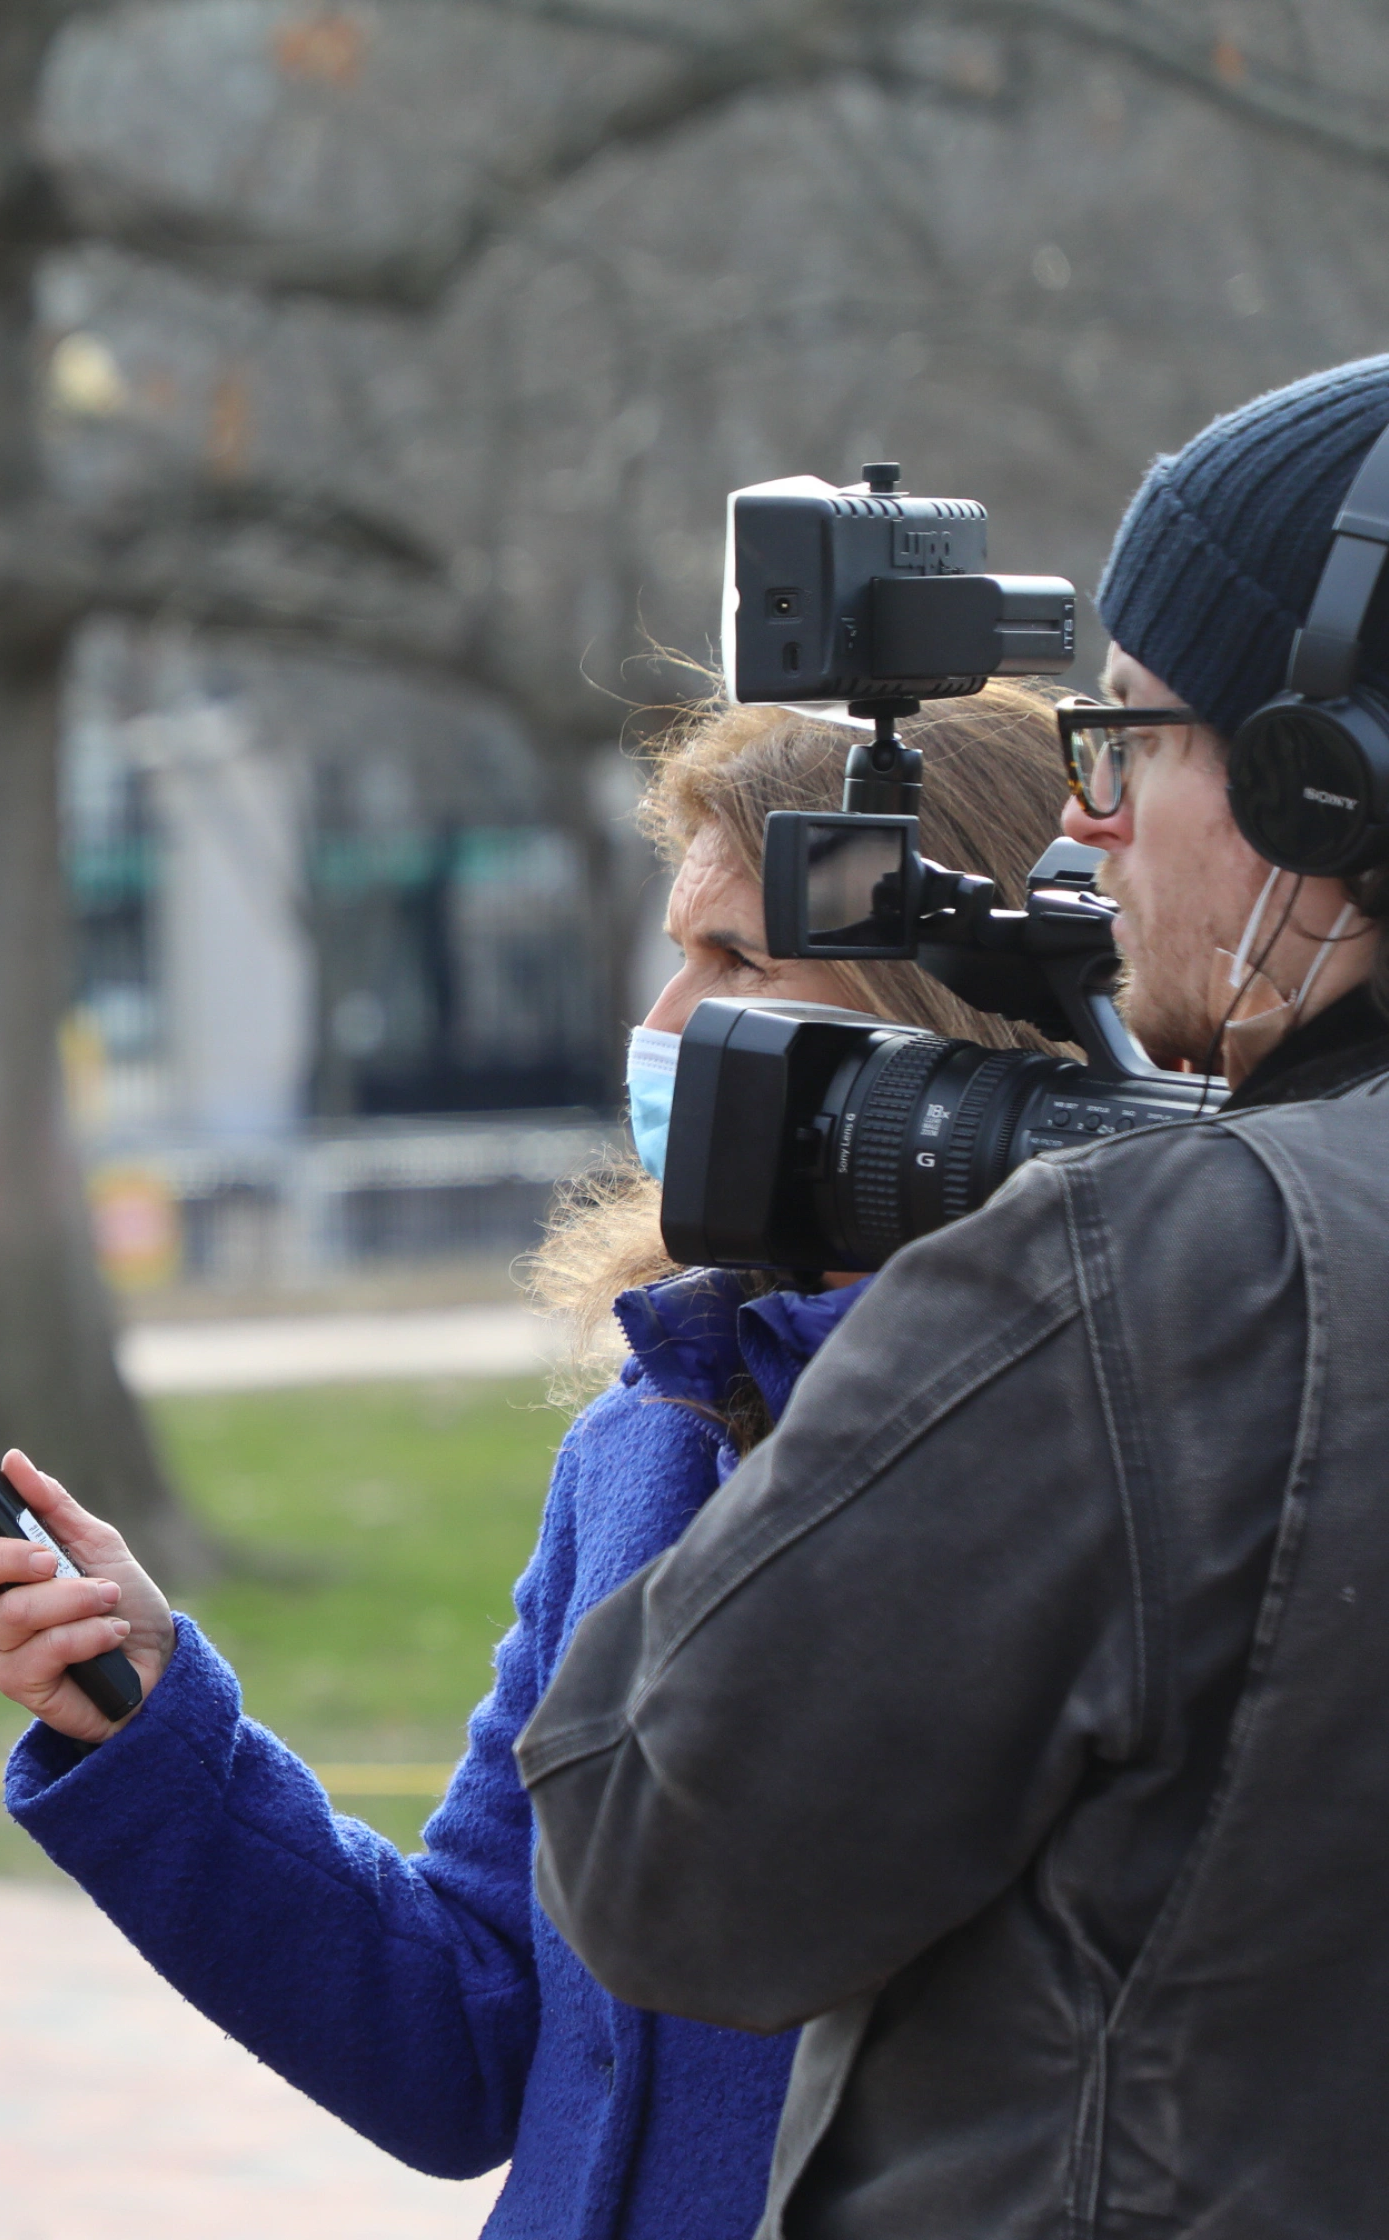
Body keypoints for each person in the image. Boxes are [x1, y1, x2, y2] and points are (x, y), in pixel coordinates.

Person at [0, 680, 1078, 2240]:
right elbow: (465, 2033)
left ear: (954, 1040)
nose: (667, 1025)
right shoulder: (644, 1442)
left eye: (736, 961)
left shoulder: (1094, 1457)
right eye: (676, 955)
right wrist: (153, 1731)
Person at [520, 354, 1389, 2237]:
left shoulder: (1170, 1270)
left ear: (1330, 782)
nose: (1091, 830)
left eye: (1134, 744)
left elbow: (664, 1848)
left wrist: (862, 1372)